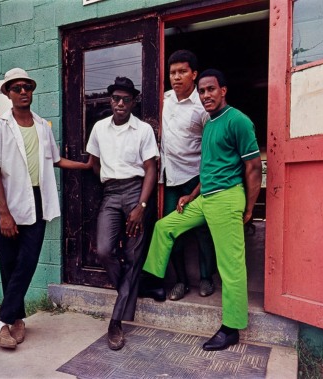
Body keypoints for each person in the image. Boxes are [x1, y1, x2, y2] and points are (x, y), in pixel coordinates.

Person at [142, 69, 262, 351]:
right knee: (164, 227)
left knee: (231, 265)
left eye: (211, 89)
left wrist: (249, 208)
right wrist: (191, 194)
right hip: (206, 196)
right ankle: (152, 281)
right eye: (202, 91)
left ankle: (231, 328)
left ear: (223, 90)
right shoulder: (209, 123)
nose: (206, 95)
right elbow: (208, 169)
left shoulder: (238, 121)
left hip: (227, 198)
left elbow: (254, 167)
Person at [0, 68, 92, 349]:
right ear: (8, 93)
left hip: (37, 201)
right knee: (9, 266)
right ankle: (15, 321)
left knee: (27, 262)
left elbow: (55, 160)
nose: (23, 92)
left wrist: (85, 166)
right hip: (7, 203)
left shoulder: (42, 126)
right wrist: (4, 213)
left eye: (27, 87)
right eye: (16, 88)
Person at [86, 77, 159, 350]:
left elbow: (151, 168)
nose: (120, 103)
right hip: (111, 193)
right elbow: (93, 163)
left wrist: (140, 206)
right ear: (110, 100)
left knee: (132, 255)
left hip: (136, 192)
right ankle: (132, 290)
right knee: (104, 250)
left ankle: (115, 322)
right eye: (116, 98)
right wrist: (108, 179)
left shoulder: (142, 130)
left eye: (126, 99)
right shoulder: (99, 128)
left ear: (133, 102)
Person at [159, 49, 216, 301]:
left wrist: (203, 183)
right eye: (172, 72)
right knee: (173, 231)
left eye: (182, 71)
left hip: (195, 177)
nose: (177, 77)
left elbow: (210, 145)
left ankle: (206, 278)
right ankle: (180, 281)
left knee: (204, 230)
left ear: (194, 74)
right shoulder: (163, 100)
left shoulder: (203, 107)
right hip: (170, 179)